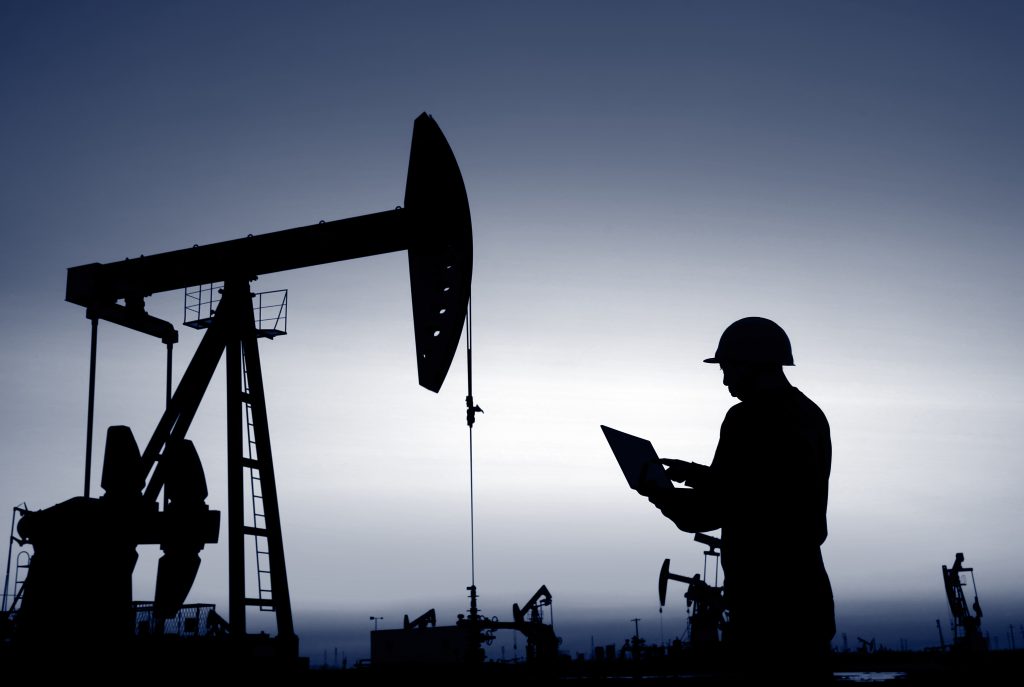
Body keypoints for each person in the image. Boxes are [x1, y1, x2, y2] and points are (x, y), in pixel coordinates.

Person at [646, 317, 835, 678]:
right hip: (805, 596)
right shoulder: (809, 414)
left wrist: (658, 493)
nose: (725, 379)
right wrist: (699, 473)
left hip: (764, 607)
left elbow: (711, 511)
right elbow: (763, 489)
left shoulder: (746, 419)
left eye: (729, 368)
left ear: (753, 363)